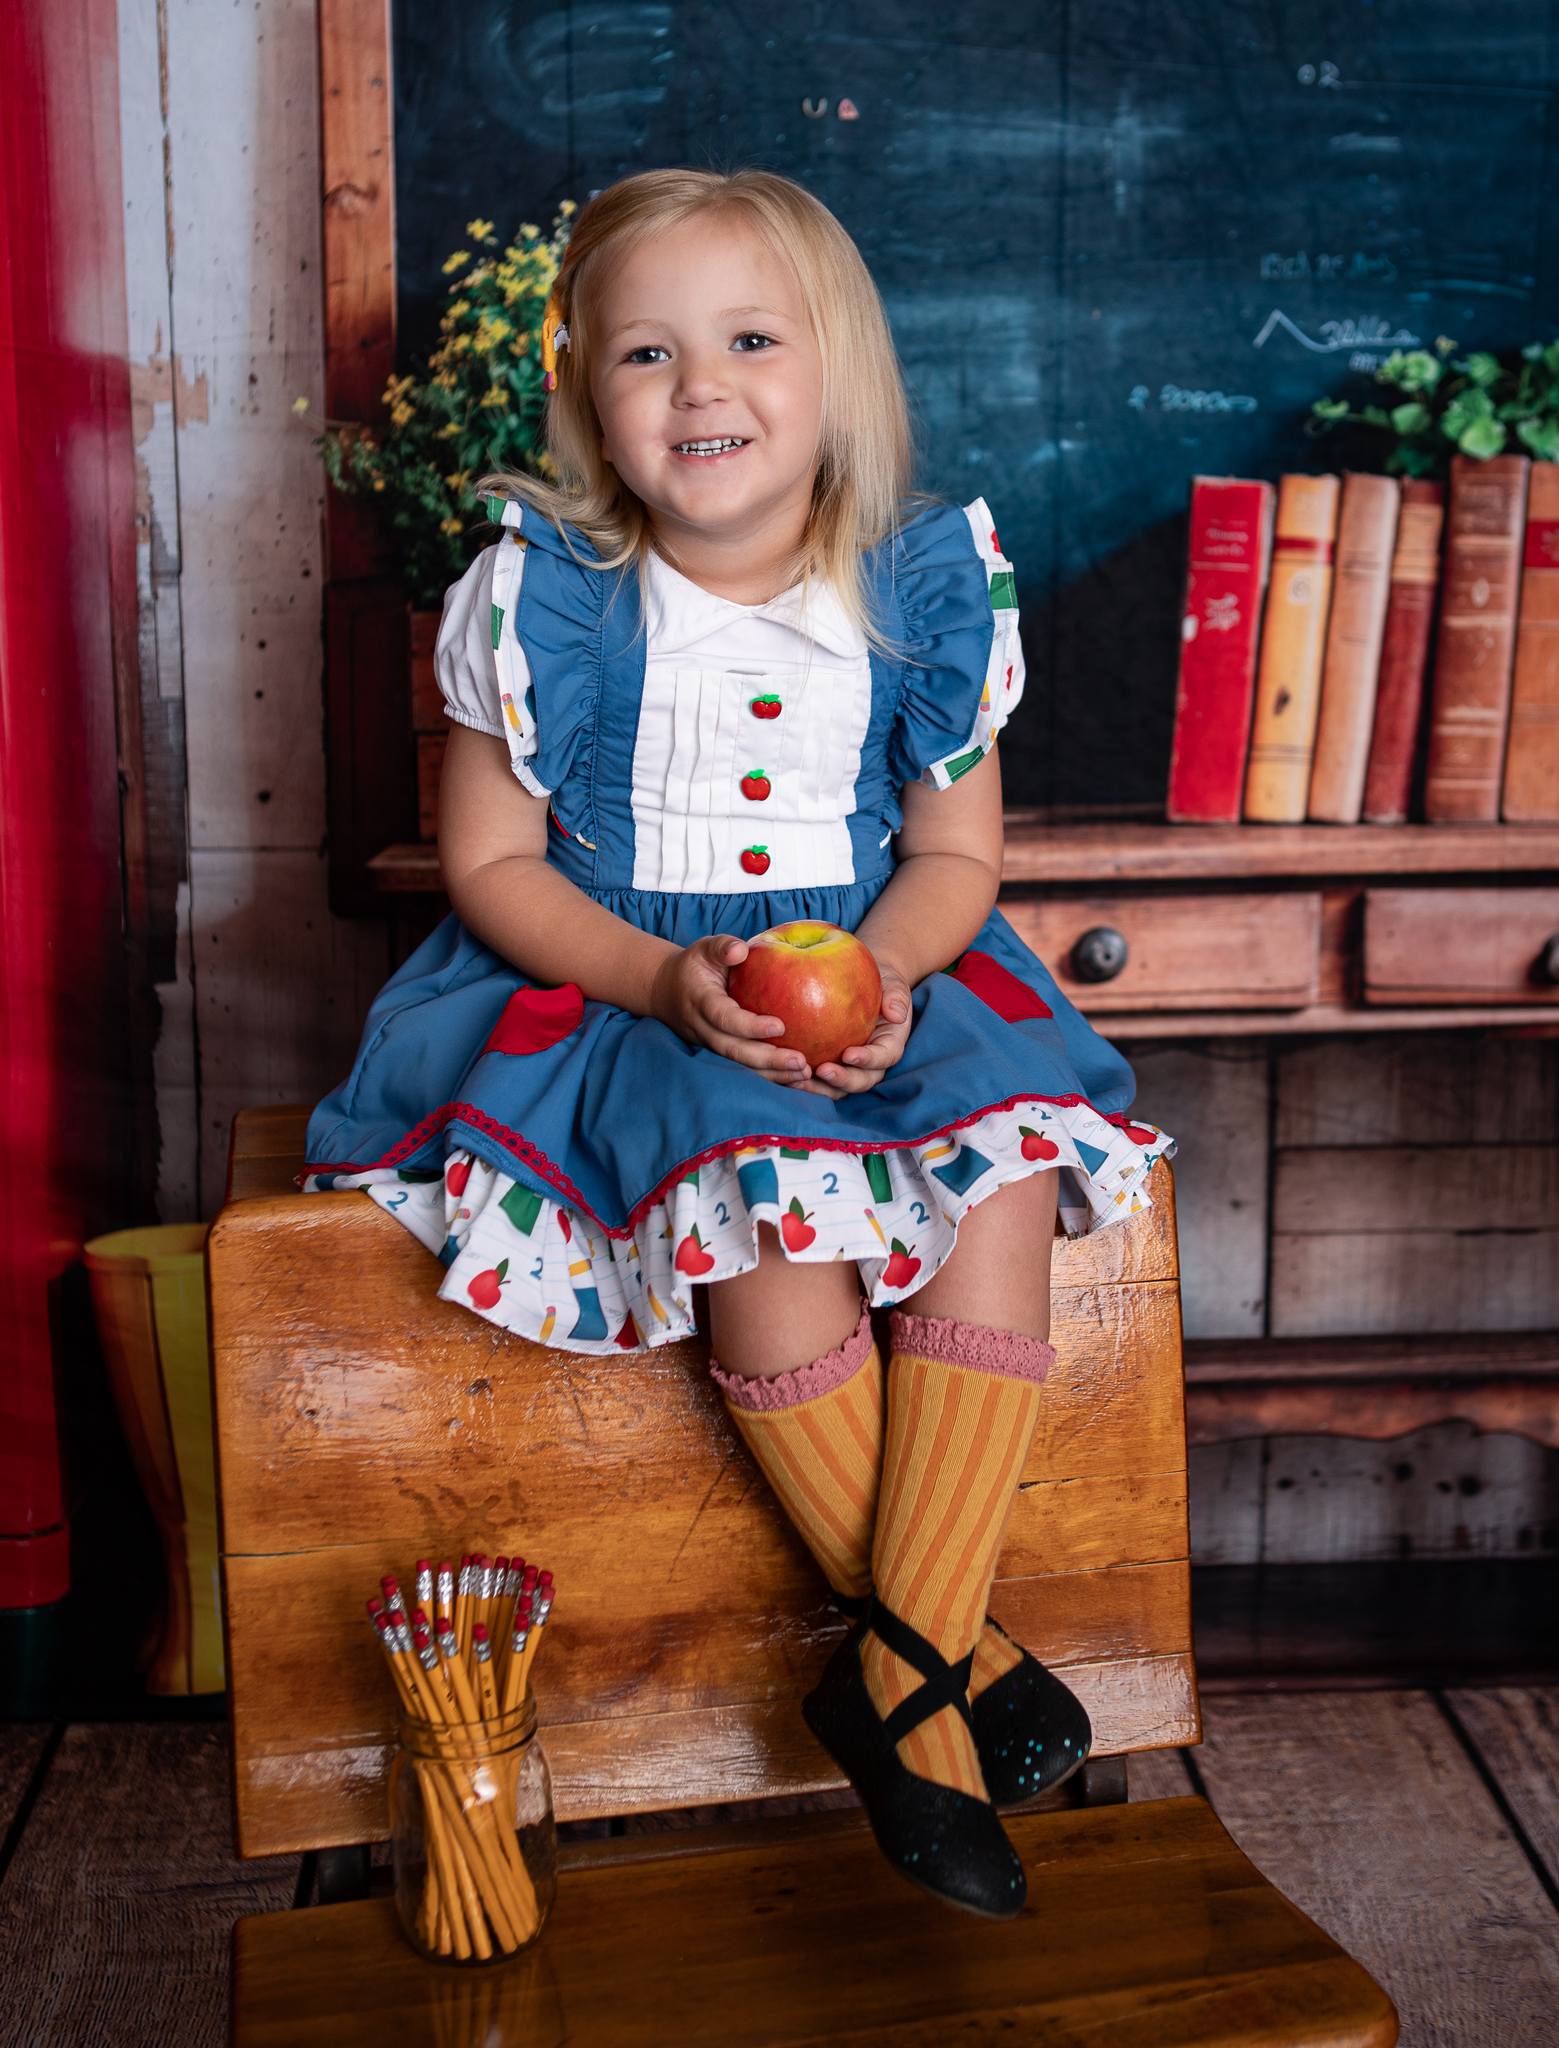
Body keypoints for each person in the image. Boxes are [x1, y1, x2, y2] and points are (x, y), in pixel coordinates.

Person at [304, 167, 1177, 1918]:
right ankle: (952, 1674)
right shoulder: (545, 597)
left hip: (884, 970)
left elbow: (955, 857)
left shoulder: (922, 591)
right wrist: (651, 980)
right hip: (635, 986)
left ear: (835, 372)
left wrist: (907, 977)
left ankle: (897, 1660)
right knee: (766, 1206)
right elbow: (486, 867)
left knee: (998, 1172)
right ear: (588, 397)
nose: (700, 387)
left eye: (750, 340)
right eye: (647, 352)